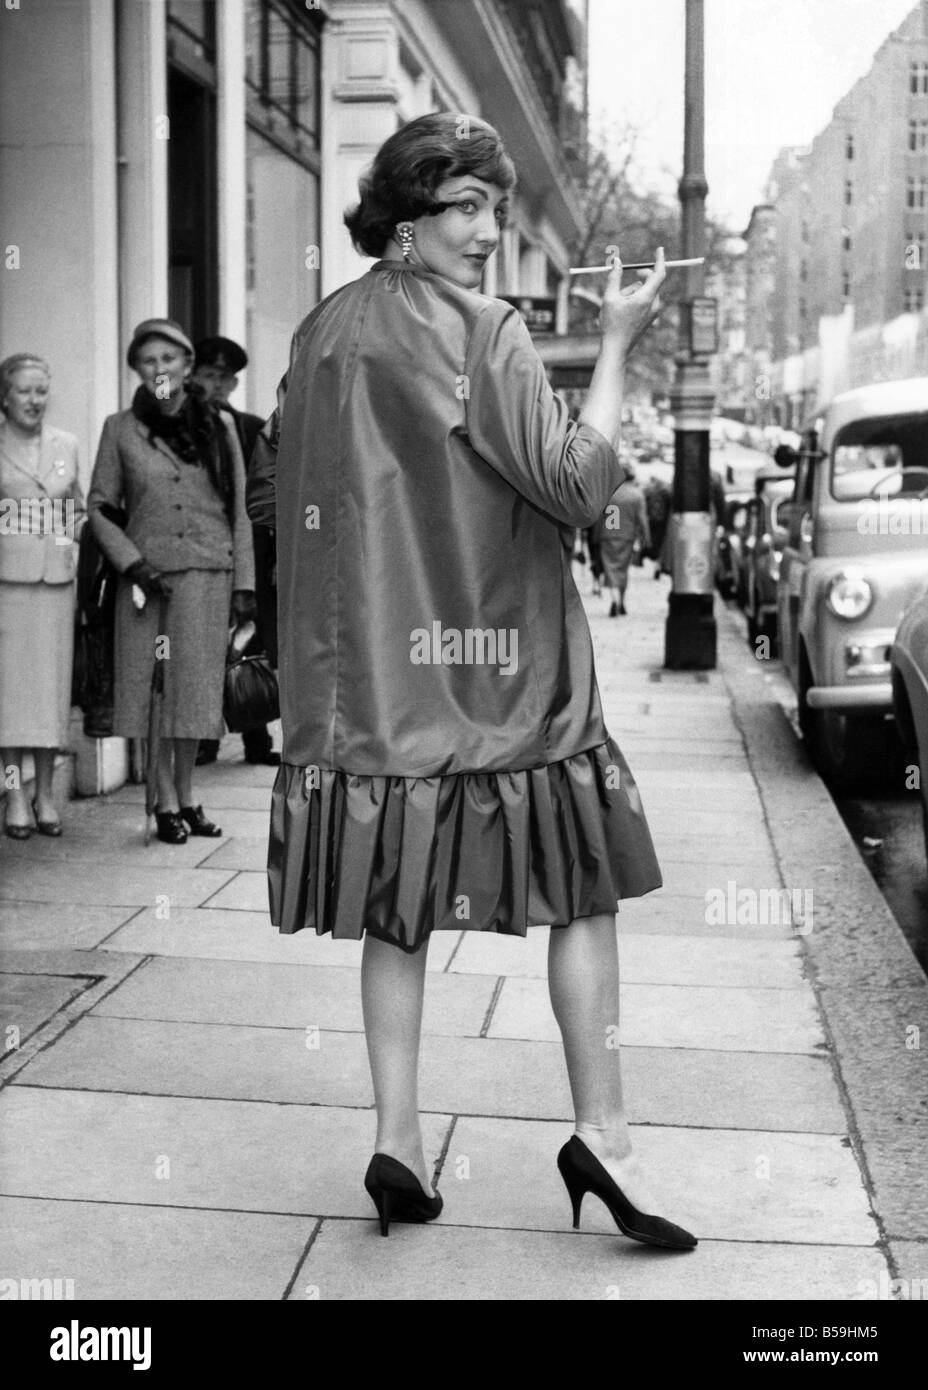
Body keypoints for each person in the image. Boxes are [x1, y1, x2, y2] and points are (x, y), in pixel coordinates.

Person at [247, 113, 696, 1250]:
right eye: (466, 209)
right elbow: (578, 484)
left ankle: (396, 1139)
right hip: (506, 676)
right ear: (405, 220)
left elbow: (281, 500)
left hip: (374, 693)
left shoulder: (320, 335)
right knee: (581, 893)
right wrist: (613, 348)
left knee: (394, 912)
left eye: (492, 208)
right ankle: (603, 1133)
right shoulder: (483, 330)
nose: (490, 232)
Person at [87, 319, 255, 845]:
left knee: (196, 694)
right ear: (137, 369)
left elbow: (242, 509)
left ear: (186, 365)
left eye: (169, 359)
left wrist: (244, 584)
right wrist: (132, 563)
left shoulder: (220, 426)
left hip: (209, 574)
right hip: (149, 580)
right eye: (148, 361)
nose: (160, 369)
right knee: (154, 692)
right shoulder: (120, 429)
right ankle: (163, 802)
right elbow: (100, 507)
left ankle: (188, 797)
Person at [0, 354, 84, 838]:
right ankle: (15, 794)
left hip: (54, 583)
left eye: (41, 391)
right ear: (5, 396)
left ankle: (45, 794)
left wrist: (66, 541)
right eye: (24, 391)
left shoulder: (66, 444)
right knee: (12, 697)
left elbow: (76, 506)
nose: (34, 400)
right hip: (7, 583)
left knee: (51, 693)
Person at [192, 336, 279, 768]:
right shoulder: (187, 424)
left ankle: (256, 737)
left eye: (226, 377)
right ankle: (206, 739)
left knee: (248, 646)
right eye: (210, 375)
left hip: (251, 551)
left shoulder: (249, 427)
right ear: (193, 376)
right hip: (205, 548)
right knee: (208, 647)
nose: (219, 384)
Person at [592, 466, 651, 616]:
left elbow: (599, 518)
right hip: (627, 536)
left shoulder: (607, 494)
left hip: (607, 536)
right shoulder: (637, 495)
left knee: (610, 569)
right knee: (623, 570)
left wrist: (596, 536)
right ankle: (621, 601)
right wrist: (646, 538)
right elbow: (642, 519)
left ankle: (614, 599)